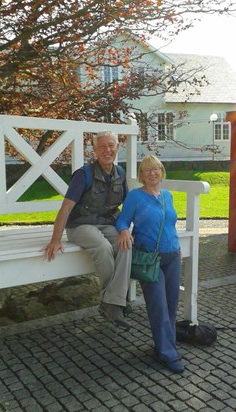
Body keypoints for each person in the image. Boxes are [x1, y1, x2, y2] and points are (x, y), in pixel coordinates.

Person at [43, 131, 133, 331]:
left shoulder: (120, 172)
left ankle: (112, 302)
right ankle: (114, 302)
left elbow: (128, 206)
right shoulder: (84, 174)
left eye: (111, 145)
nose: (107, 150)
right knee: (102, 247)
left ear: (117, 147)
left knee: (125, 245)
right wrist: (56, 239)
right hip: (80, 225)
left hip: (107, 223)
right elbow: (65, 208)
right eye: (102, 147)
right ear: (94, 150)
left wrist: (125, 230)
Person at [116, 155, 184, 373]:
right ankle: (167, 354)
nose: (151, 173)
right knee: (158, 306)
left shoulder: (167, 196)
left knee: (172, 304)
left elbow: (170, 222)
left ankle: (165, 346)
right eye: (146, 170)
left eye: (155, 169)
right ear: (141, 175)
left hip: (173, 255)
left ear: (161, 172)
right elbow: (122, 220)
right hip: (150, 259)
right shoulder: (135, 196)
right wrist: (125, 231)